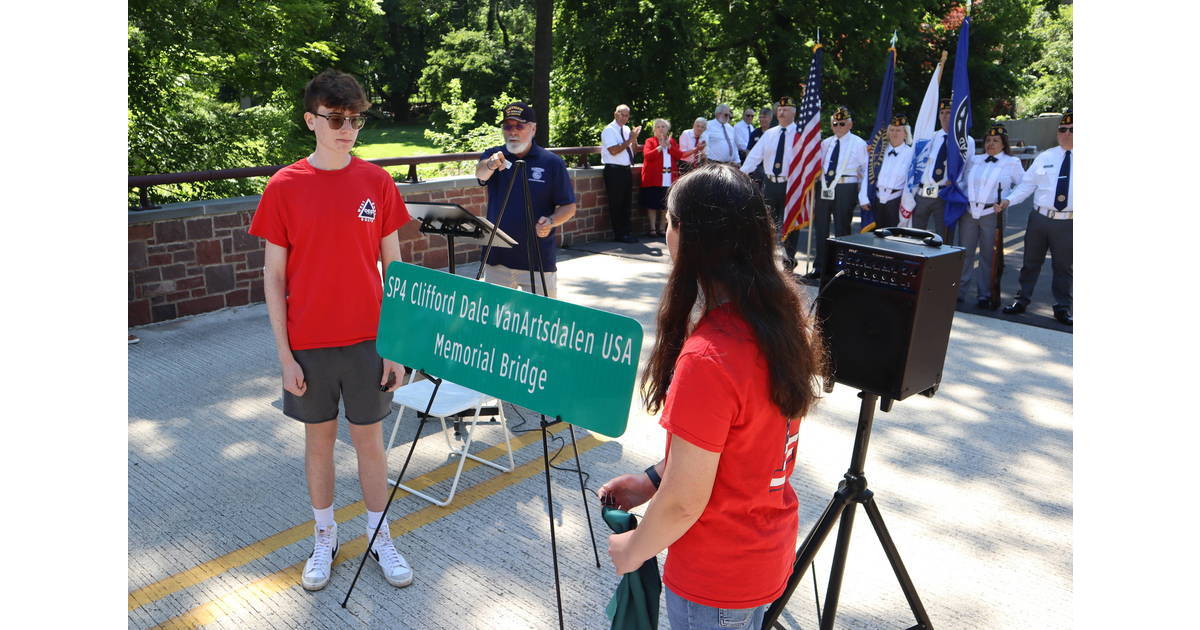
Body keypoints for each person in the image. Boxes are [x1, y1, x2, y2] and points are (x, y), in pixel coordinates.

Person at [599, 164, 825, 630]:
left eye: (669, 222)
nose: (665, 234)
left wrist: (633, 550)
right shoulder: (778, 325)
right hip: (762, 552)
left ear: (691, 237)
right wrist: (651, 480)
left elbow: (685, 501)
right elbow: (739, 449)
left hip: (715, 577)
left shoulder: (708, 356)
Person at [248, 69, 413, 592]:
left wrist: (397, 345)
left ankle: (379, 535)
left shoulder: (376, 182)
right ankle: (325, 537)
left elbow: (397, 271)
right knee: (318, 444)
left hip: (368, 341)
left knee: (371, 444)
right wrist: (284, 356)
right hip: (309, 346)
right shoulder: (285, 186)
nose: (348, 129)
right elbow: (274, 277)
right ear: (311, 121)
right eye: (337, 119)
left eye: (355, 119)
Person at [475, 102, 577, 298]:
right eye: (507, 126)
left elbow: (568, 207)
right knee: (495, 323)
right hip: (497, 259)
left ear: (533, 128)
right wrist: (491, 163)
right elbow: (481, 174)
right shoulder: (494, 155)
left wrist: (551, 221)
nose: (513, 131)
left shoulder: (551, 162)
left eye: (519, 126)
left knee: (541, 323)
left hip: (538, 261)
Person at [998, 110, 1073, 325]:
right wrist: (1008, 201)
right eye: (1062, 129)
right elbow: (1027, 186)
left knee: (1063, 267)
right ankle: (1021, 300)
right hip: (1040, 219)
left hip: (1068, 222)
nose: (1065, 133)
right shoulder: (1046, 157)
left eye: (1071, 130)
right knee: (1030, 262)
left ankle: (1062, 307)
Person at [958, 124, 1024, 308]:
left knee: (989, 256)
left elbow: (1023, 185)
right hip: (969, 212)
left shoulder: (1012, 163)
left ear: (1004, 144)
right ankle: (960, 291)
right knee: (965, 253)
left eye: (996, 140)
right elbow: (963, 182)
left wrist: (1008, 200)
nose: (991, 143)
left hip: (992, 214)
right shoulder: (975, 160)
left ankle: (985, 294)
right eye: (988, 140)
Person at [804, 106, 868, 280]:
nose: (838, 127)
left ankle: (841, 269)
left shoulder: (859, 143)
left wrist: (863, 195)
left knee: (842, 229)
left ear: (850, 124)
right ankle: (820, 267)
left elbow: (866, 172)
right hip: (824, 188)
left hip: (845, 187)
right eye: (835, 123)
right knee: (821, 228)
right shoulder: (826, 143)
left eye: (842, 123)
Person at [741, 96, 802, 270]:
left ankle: (789, 261)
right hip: (770, 184)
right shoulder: (769, 134)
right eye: (780, 110)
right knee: (767, 223)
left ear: (794, 113)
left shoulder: (801, 135)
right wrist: (741, 174)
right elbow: (755, 156)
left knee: (791, 225)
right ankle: (765, 259)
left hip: (791, 185)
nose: (782, 112)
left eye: (786, 110)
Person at [910, 98, 976, 242]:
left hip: (944, 194)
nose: (945, 116)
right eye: (942, 112)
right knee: (915, 235)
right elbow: (917, 163)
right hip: (923, 193)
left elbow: (969, 170)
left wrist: (957, 184)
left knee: (943, 237)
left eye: (949, 112)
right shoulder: (930, 137)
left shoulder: (966, 141)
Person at [641, 118, 699, 237]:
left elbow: (679, 156)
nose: (661, 129)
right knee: (652, 204)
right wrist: (660, 147)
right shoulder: (650, 141)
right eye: (658, 127)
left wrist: (669, 147)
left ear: (667, 129)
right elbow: (647, 156)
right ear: (654, 130)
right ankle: (652, 229)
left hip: (668, 178)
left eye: (663, 127)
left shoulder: (671, 141)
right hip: (653, 178)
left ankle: (662, 228)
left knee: (665, 205)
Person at [860, 114, 914, 229]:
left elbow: (910, 182)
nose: (894, 133)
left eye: (899, 130)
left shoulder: (911, 154)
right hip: (876, 199)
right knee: (874, 238)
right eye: (892, 130)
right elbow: (868, 173)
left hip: (896, 201)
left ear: (905, 134)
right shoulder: (878, 151)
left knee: (893, 238)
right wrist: (863, 197)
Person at [600, 104, 642, 243]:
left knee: (626, 203)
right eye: (622, 114)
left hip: (625, 169)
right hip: (614, 170)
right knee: (616, 203)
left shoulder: (626, 129)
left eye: (627, 115)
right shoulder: (609, 130)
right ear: (615, 114)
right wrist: (629, 140)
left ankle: (627, 232)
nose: (625, 118)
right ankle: (620, 234)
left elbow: (633, 149)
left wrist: (634, 138)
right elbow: (613, 150)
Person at [745, 106, 775, 189]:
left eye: (764, 117)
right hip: (757, 169)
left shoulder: (775, 132)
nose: (762, 120)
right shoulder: (755, 133)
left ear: (770, 118)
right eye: (760, 117)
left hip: (772, 169)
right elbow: (748, 150)